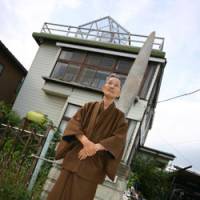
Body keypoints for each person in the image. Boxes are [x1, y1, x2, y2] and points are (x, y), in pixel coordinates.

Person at [47, 73, 128, 200]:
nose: (112, 86)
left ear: (119, 93)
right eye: (109, 83)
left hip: (93, 166)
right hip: (75, 157)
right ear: (103, 87)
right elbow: (74, 124)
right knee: (58, 194)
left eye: (116, 85)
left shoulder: (120, 117)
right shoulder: (88, 106)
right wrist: (86, 142)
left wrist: (95, 147)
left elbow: (119, 139)